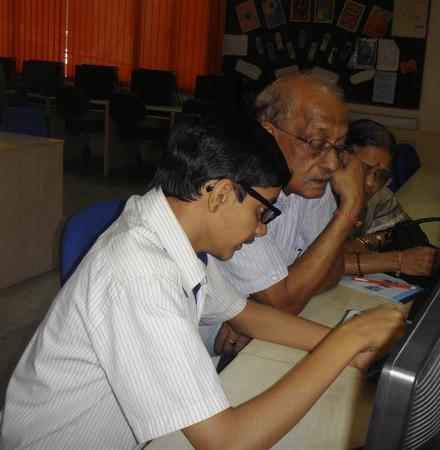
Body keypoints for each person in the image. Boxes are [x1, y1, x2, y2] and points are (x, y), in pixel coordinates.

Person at [0, 109, 405, 450]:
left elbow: (248, 315)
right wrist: (347, 340)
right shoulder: (140, 271)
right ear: (222, 194)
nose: (262, 230)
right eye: (263, 213)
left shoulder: (170, 230)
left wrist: (348, 348)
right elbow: (225, 441)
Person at [213, 74, 366, 354]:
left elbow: (332, 269)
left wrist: (259, 310)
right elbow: (284, 303)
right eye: (317, 144)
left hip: (257, 339)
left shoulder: (307, 180)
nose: (332, 163)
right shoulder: (236, 191)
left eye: (339, 146)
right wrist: (350, 205)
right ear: (269, 135)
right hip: (207, 356)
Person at [342, 119, 436, 277]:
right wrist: (397, 260)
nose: (370, 182)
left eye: (381, 175)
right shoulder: (315, 197)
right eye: (363, 168)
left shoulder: (378, 194)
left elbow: (397, 231)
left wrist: (366, 242)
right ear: (341, 157)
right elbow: (318, 264)